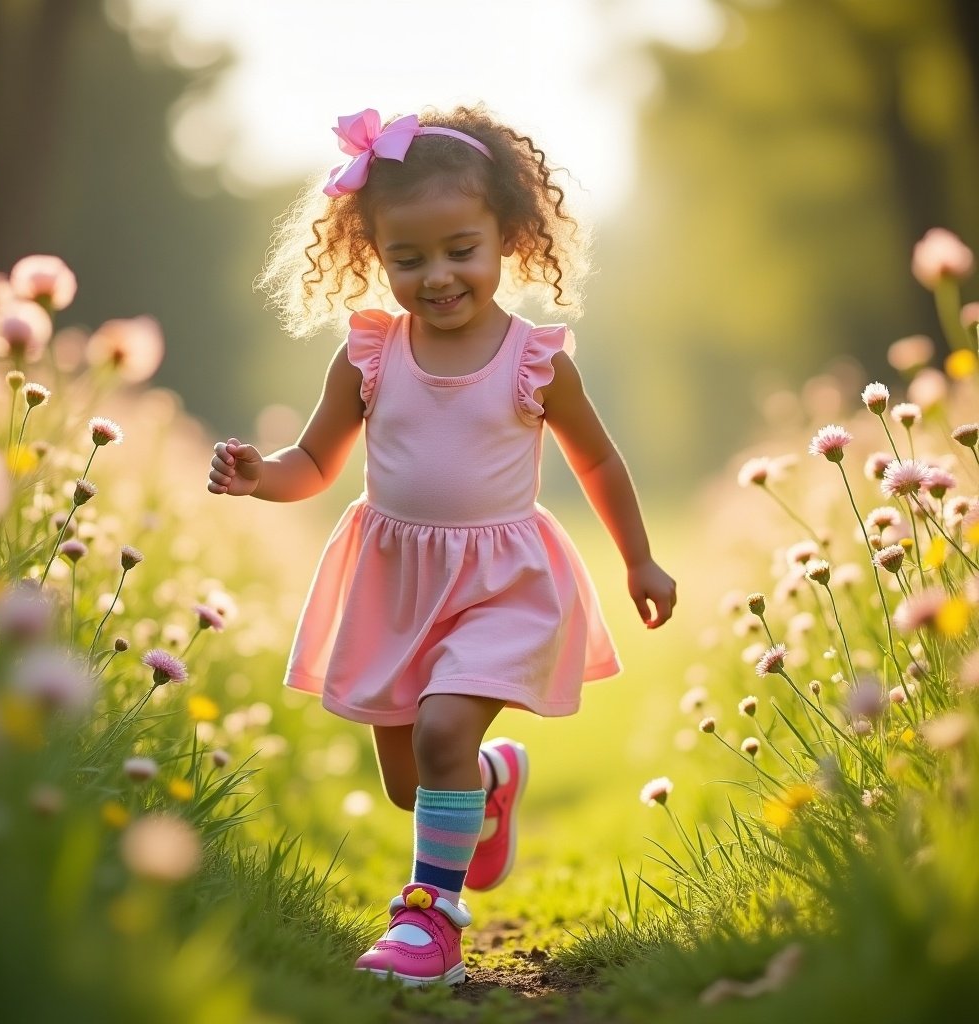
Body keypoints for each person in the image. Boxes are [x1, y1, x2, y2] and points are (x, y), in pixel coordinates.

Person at [207, 105, 676, 987]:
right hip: (394, 582)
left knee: (443, 726)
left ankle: (430, 920)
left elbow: (600, 459)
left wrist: (638, 558)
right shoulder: (369, 356)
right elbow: (313, 461)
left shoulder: (535, 361)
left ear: (510, 236)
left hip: (503, 583)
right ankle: (492, 780)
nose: (438, 276)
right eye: (407, 258)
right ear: (373, 256)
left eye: (462, 249)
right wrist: (258, 475)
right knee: (412, 777)